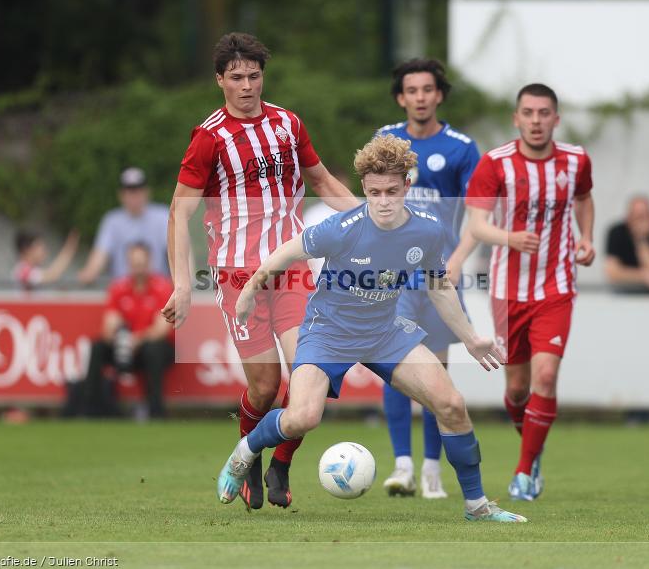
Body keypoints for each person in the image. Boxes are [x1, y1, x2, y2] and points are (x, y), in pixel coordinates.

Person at [216, 134, 526, 523]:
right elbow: (286, 252)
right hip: (327, 332)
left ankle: (477, 507)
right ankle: (244, 454)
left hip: (384, 333)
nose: (383, 201)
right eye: (375, 191)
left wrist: (470, 337)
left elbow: (438, 285)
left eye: (392, 191)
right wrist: (248, 291)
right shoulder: (342, 227)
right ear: (364, 187)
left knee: (451, 404)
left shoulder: (428, 229)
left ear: (406, 186)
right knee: (302, 417)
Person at [160, 33, 359, 510]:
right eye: (236, 78)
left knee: (310, 377)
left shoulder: (288, 124)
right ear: (220, 81)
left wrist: (371, 222)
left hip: (291, 269)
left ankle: (282, 461)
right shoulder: (209, 138)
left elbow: (322, 180)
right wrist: (184, 285)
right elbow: (177, 213)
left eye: (253, 75)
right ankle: (247, 458)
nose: (247, 86)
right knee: (266, 387)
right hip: (236, 279)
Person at [466, 83, 595, 501]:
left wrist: (586, 238)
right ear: (516, 118)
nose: (536, 121)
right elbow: (477, 225)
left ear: (556, 119)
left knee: (546, 375)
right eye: (529, 113)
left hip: (556, 287)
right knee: (518, 389)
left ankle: (523, 473)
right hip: (507, 292)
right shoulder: (496, 163)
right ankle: (532, 448)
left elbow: (584, 198)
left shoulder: (575, 160)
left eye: (544, 113)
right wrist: (509, 238)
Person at [375, 58, 481, 499]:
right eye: (411, 90)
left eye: (427, 89)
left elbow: (478, 216)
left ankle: (433, 468)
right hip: (394, 277)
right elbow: (373, 206)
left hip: (437, 275)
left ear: (439, 95)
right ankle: (403, 466)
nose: (420, 97)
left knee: (436, 369)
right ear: (401, 97)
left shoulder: (460, 147)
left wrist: (456, 260)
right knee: (397, 367)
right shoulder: (386, 141)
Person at [82, 242, 174, 419]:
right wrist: (119, 337)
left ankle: (156, 411)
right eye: (134, 264)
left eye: (141, 263)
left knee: (153, 349)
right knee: (98, 347)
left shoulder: (162, 288)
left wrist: (136, 340)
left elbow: (162, 329)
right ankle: (90, 409)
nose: (138, 268)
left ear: (149, 263)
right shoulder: (119, 288)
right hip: (124, 346)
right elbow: (108, 326)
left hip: (154, 349)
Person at [77, 167, 170, 284]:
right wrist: (89, 273)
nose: (135, 195)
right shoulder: (112, 221)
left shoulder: (162, 216)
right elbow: (100, 254)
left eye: (138, 190)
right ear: (121, 195)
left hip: (157, 292)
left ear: (147, 192)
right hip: (123, 293)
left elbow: (179, 253)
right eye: (130, 191)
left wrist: (187, 281)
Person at [604, 196, 649, 294]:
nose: (641, 222)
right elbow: (612, 272)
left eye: (645, 216)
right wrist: (644, 276)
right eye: (637, 217)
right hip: (623, 289)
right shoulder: (616, 232)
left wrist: (642, 239)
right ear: (628, 217)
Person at [12, 229, 79, 290]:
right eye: (39, 246)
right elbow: (52, 275)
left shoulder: (31, 270)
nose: (44, 251)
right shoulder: (23, 271)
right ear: (26, 249)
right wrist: (70, 245)